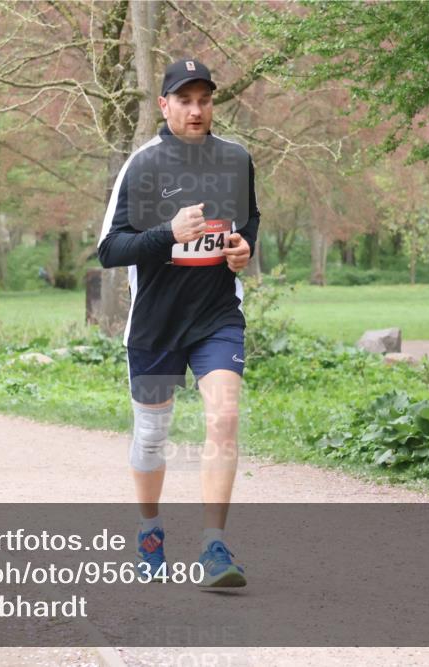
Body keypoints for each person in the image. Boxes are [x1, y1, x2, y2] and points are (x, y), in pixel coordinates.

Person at [97, 58, 260, 588]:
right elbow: (110, 249)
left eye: (204, 100)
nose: (196, 110)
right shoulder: (143, 166)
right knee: (152, 435)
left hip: (216, 316)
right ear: (163, 105)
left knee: (224, 417)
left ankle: (214, 546)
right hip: (156, 324)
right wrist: (167, 232)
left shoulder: (235, 160)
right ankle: (150, 530)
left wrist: (242, 247)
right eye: (184, 101)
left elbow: (249, 220)